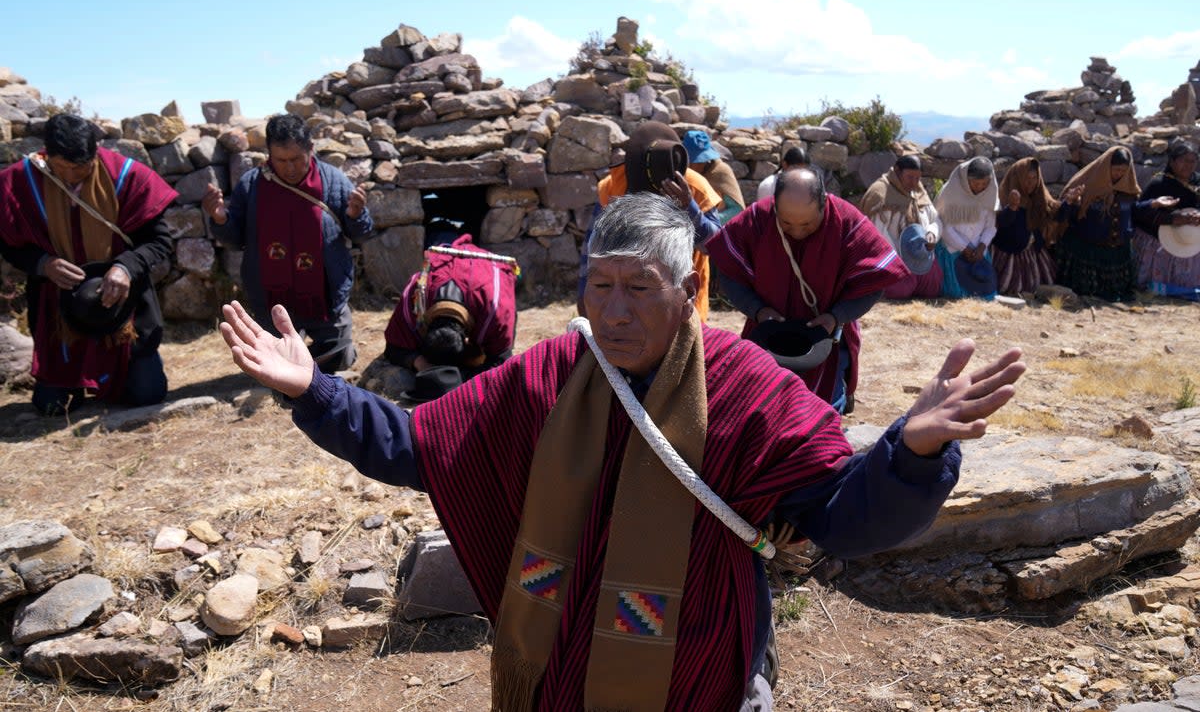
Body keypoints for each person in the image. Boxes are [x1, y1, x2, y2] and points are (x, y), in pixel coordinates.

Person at [219, 191, 1024, 711]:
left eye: (639, 287)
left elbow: (842, 519)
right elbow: (416, 443)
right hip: (561, 673)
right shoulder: (549, 375)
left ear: (689, 288)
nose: (614, 310)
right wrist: (312, 391)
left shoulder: (744, 387)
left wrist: (911, 454)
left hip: (696, 677)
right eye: (599, 286)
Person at [0, 113, 176, 415]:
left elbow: (160, 241)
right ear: (45, 154)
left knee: (147, 394)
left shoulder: (127, 177)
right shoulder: (21, 182)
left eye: (80, 168)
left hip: (123, 307)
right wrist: (42, 264)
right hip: (59, 310)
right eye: (61, 168)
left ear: (95, 153)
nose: (70, 177)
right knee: (52, 406)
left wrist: (125, 267)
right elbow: (8, 243)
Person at [708, 168, 909, 414]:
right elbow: (728, 267)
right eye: (786, 223)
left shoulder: (846, 222)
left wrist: (837, 316)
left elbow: (877, 279)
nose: (797, 232)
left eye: (807, 224)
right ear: (774, 207)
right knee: (759, 410)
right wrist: (756, 310)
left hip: (824, 340)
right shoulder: (759, 218)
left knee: (821, 415)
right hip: (767, 335)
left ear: (824, 205)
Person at [202, 113, 374, 372]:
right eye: (281, 160)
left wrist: (356, 216)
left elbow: (360, 234)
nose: (289, 168)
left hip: (325, 297)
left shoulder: (333, 181)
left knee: (339, 359)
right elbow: (235, 240)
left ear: (311, 149)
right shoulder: (252, 185)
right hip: (272, 299)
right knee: (279, 370)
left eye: (296, 159)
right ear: (269, 154)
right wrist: (220, 218)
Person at [577, 121, 722, 321]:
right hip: (620, 302)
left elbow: (717, 246)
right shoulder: (615, 184)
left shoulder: (695, 188)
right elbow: (592, 246)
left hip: (684, 305)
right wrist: (586, 295)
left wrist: (688, 207)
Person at [383, 233, 518, 375]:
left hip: (483, 272)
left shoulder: (495, 310)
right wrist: (420, 363)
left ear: (467, 341)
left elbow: (500, 360)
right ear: (423, 332)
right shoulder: (415, 297)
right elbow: (393, 346)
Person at [1056, 146, 1177, 302]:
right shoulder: (1087, 186)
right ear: (1106, 167)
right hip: (1088, 249)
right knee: (1086, 292)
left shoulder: (1128, 190)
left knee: (1114, 295)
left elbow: (1134, 210)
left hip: (1116, 249)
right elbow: (1064, 217)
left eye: (1123, 170)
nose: (1119, 174)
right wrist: (1070, 202)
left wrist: (1153, 203)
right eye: (1116, 169)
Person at [859, 154, 944, 299]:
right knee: (900, 290)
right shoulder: (879, 194)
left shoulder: (918, 191)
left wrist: (931, 234)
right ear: (897, 171)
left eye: (918, 178)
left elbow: (935, 219)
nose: (914, 183)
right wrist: (900, 259)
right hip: (890, 257)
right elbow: (877, 234)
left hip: (918, 254)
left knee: (933, 286)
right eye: (910, 177)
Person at [1133, 139, 1200, 299]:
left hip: (1189, 240)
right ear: (1172, 161)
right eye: (1184, 161)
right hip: (1157, 240)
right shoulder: (1159, 184)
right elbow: (1139, 213)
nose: (1188, 166)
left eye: (1193, 161)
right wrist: (1172, 218)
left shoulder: (1197, 182)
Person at [993, 158, 1061, 296]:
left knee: (1041, 283)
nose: (1031, 183)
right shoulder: (1005, 196)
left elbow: (1053, 215)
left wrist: (1069, 204)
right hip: (1008, 253)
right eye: (1026, 178)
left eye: (1034, 178)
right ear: (1017, 178)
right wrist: (1012, 208)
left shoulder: (1039, 198)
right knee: (1010, 286)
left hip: (1031, 252)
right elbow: (1001, 223)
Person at [934, 158, 999, 300]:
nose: (980, 187)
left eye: (984, 183)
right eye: (976, 183)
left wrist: (981, 247)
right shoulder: (950, 193)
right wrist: (964, 248)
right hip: (953, 250)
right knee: (956, 294)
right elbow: (944, 226)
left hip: (978, 252)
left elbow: (990, 227)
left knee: (987, 296)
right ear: (965, 179)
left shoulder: (989, 194)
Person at [683, 129, 745, 225]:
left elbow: (737, 210)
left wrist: (705, 221)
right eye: (690, 161)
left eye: (697, 161)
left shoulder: (721, 171)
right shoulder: (685, 174)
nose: (692, 165)